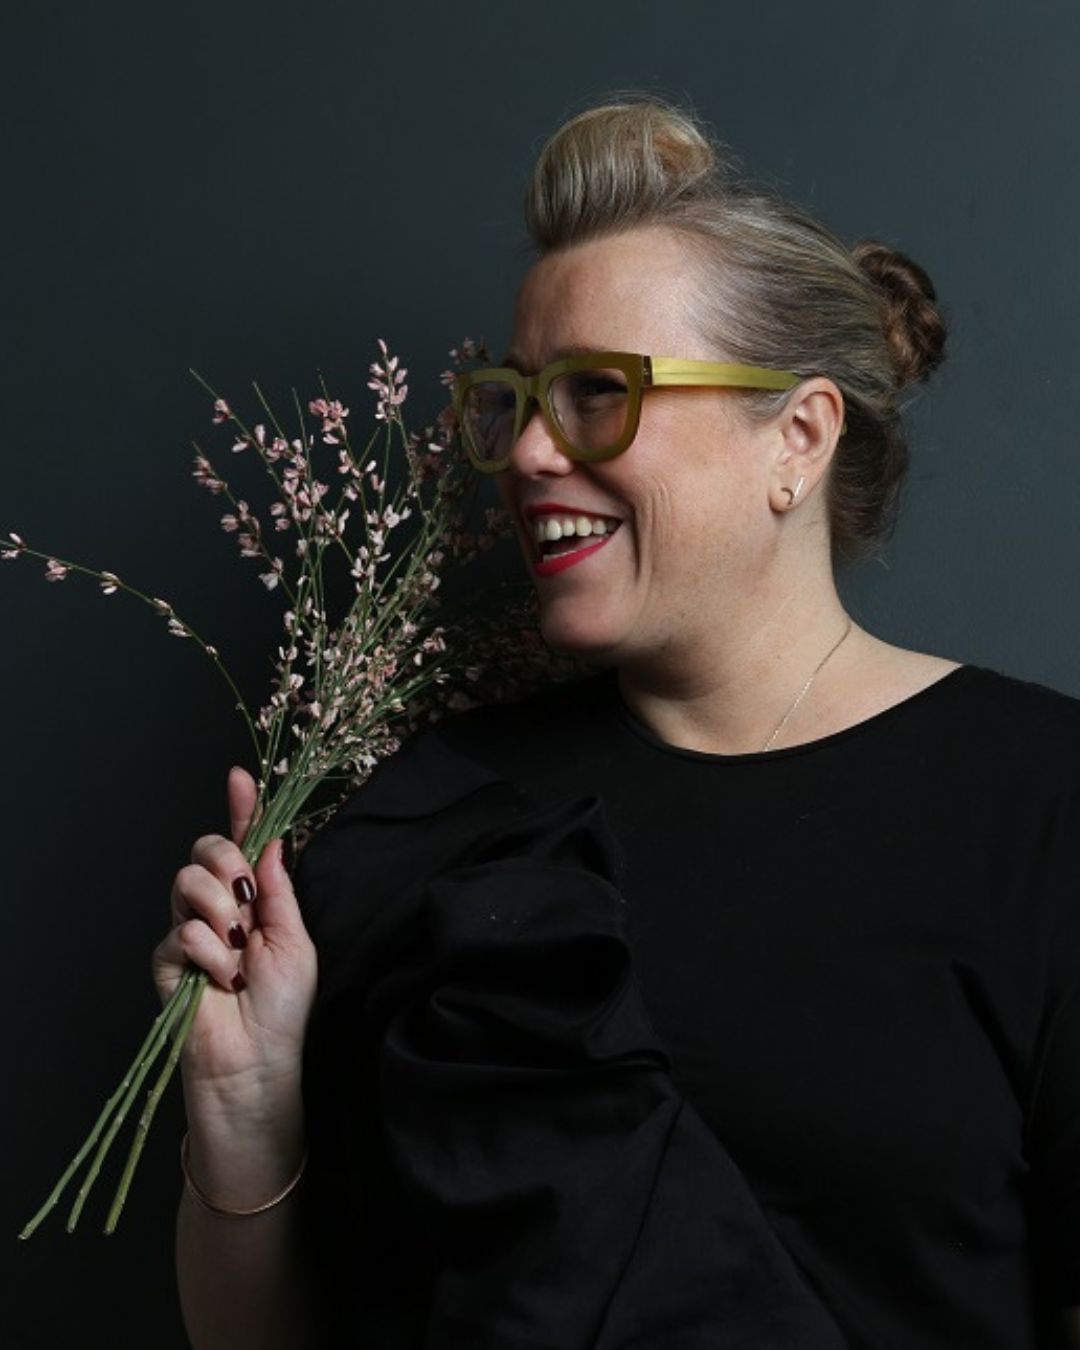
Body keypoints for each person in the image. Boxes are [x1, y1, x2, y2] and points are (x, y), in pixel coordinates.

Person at [154, 98, 1080, 1349]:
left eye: (600, 393)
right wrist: (248, 1104)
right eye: (515, 398)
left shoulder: (1041, 808)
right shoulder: (428, 815)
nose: (529, 450)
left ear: (797, 440)